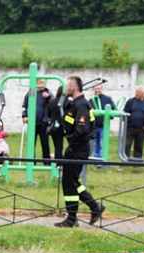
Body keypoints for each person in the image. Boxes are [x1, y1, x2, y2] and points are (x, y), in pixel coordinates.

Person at [54, 76, 105, 228]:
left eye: (67, 86)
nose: (65, 89)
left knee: (70, 183)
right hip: (75, 147)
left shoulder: (81, 105)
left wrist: (72, 146)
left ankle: (72, 219)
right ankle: (93, 208)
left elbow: (81, 130)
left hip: (77, 148)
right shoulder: (75, 104)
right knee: (71, 181)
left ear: (73, 87)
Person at [21, 79, 54, 164]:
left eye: (44, 83)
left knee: (45, 143)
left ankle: (46, 161)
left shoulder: (48, 93)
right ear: (36, 83)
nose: (42, 85)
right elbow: (25, 105)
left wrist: (48, 97)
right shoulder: (30, 93)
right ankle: (31, 161)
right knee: (31, 143)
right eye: (40, 83)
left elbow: (53, 105)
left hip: (43, 123)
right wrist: (24, 116)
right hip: (32, 123)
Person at [122, 86, 144, 159]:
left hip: (141, 128)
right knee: (127, 144)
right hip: (130, 127)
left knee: (139, 146)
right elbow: (124, 112)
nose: (137, 94)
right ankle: (125, 159)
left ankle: (137, 161)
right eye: (136, 92)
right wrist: (127, 122)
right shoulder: (131, 102)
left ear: (143, 93)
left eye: (138, 92)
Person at [88, 84, 115, 158]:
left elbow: (113, 110)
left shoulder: (107, 99)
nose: (97, 90)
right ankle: (96, 158)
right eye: (96, 89)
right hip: (94, 126)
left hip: (104, 126)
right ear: (93, 89)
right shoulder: (91, 100)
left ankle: (102, 158)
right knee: (95, 143)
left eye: (99, 88)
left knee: (102, 143)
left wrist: (108, 119)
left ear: (101, 89)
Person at [46, 85, 66, 160]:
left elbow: (48, 114)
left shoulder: (52, 102)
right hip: (66, 125)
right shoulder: (68, 102)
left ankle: (58, 163)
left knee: (58, 147)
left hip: (55, 126)